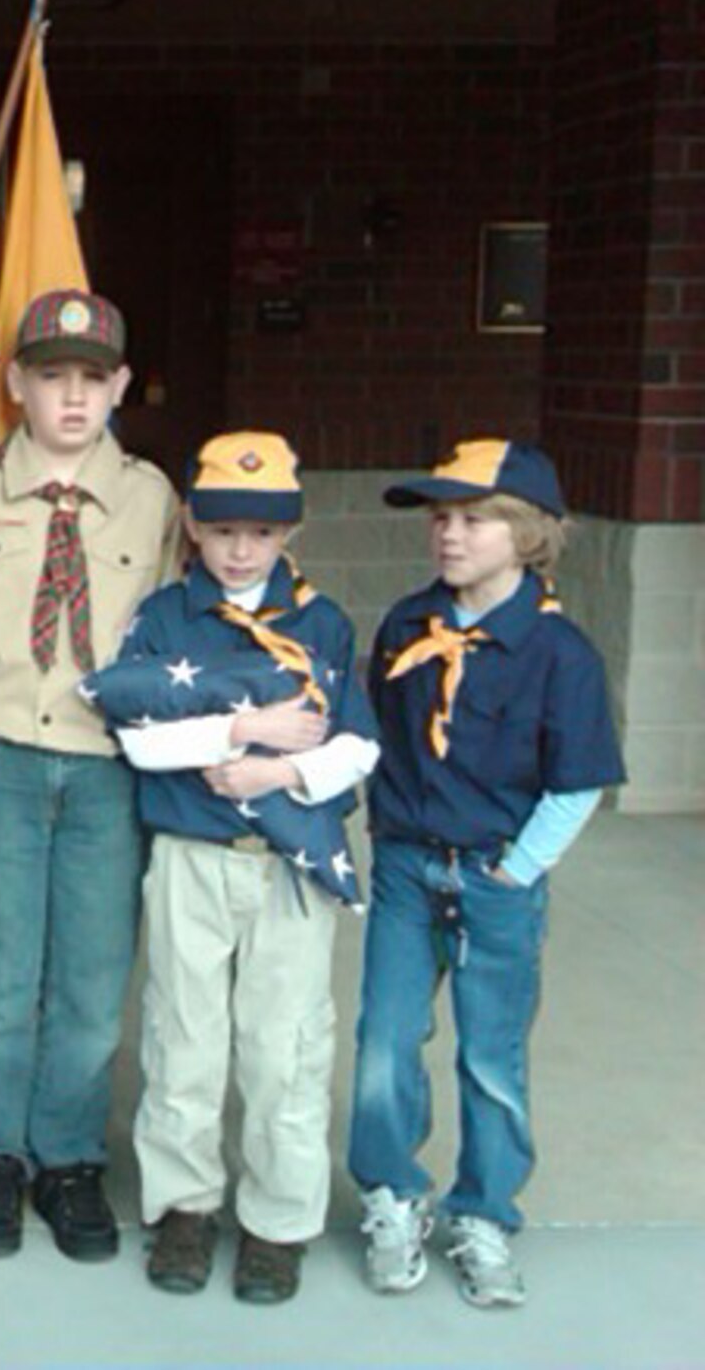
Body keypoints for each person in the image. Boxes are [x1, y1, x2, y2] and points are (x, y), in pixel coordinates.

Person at [0, 287, 179, 1262]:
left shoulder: (151, 500)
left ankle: (65, 1157)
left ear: (117, 387)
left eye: (90, 379)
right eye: (50, 377)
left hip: (107, 772)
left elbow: (180, 645)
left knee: (89, 977)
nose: (70, 398)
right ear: (15, 382)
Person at [85, 432, 379, 1304]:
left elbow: (357, 744)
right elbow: (136, 734)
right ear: (192, 524)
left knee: (284, 1045)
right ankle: (184, 1208)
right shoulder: (166, 617)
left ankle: (278, 1221)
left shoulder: (321, 623)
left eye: (261, 531)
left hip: (286, 860)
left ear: (292, 532)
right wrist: (236, 732)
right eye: (222, 530)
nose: (241, 548)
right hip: (192, 853)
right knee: (184, 1034)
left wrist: (280, 772)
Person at [348, 440, 623, 1309]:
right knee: (386, 1043)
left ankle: (485, 1212)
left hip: (497, 875)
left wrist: (516, 871)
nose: (449, 535)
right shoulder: (405, 626)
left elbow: (578, 781)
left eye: (473, 519)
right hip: (405, 866)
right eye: (439, 519)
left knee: (491, 1057)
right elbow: (379, 737)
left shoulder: (557, 652)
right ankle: (392, 1197)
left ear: (529, 534)